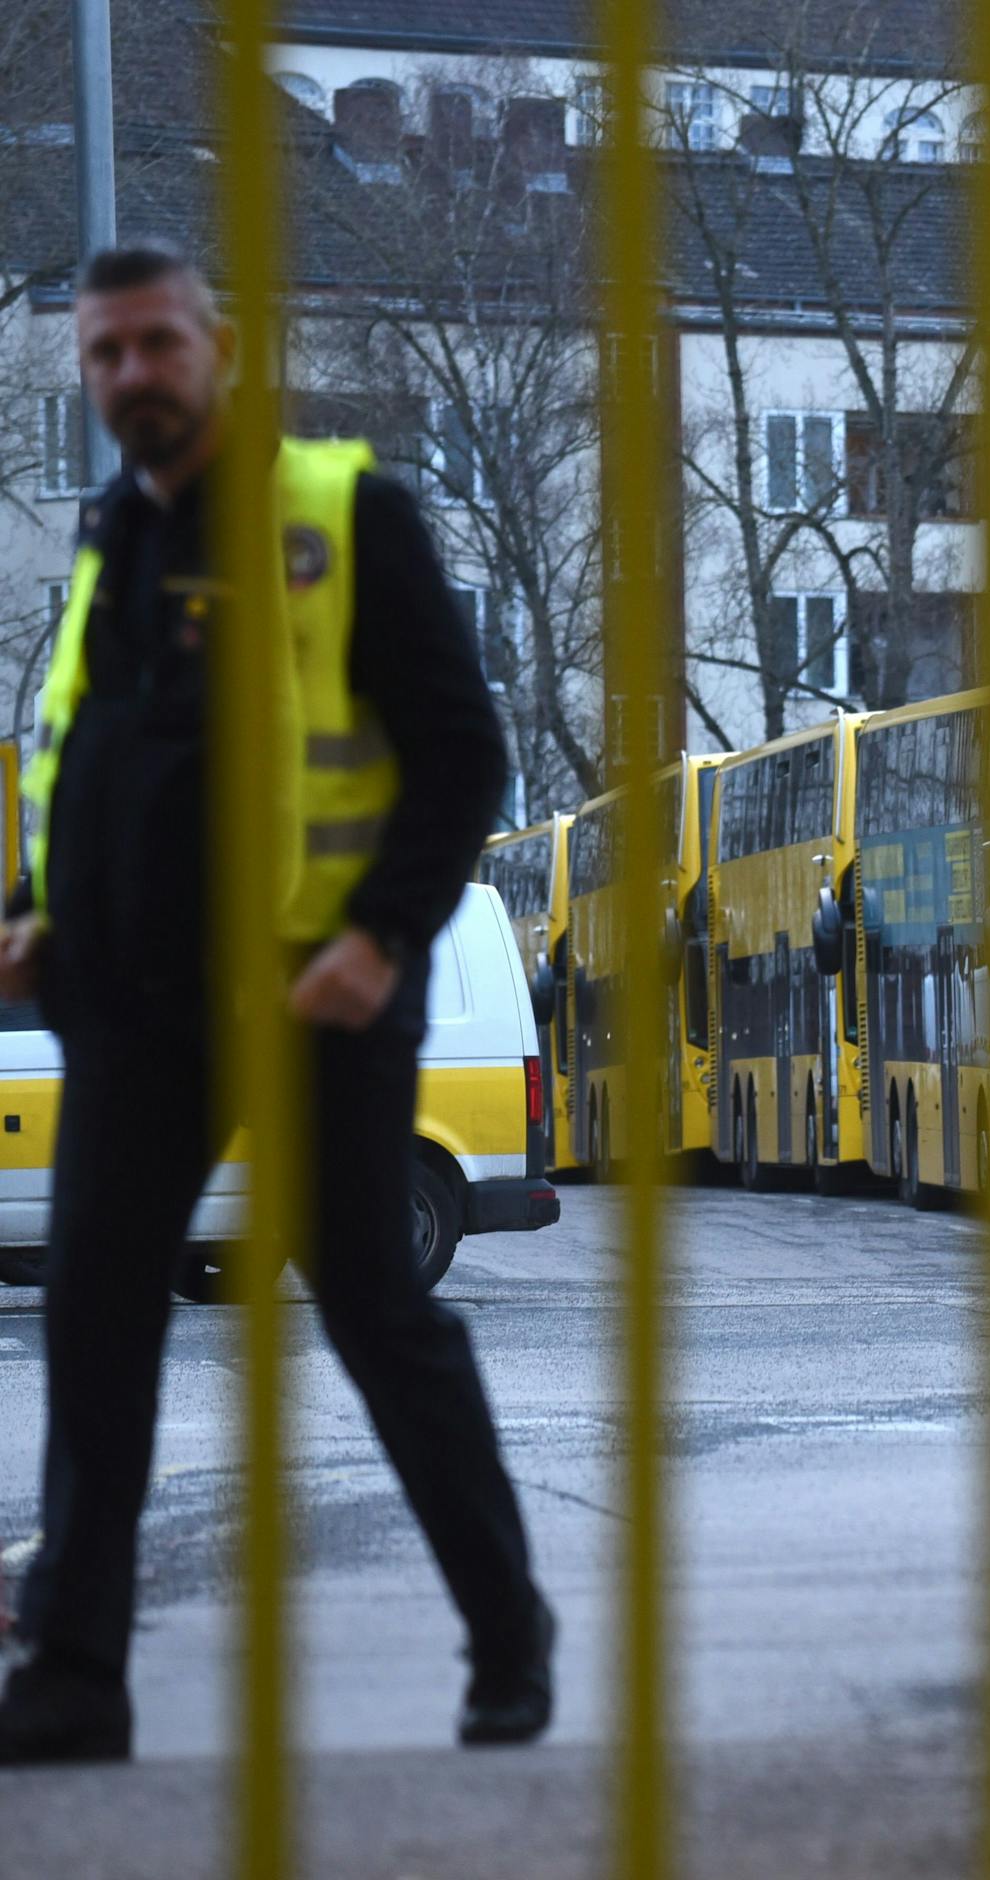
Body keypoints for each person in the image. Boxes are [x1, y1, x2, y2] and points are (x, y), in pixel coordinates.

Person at [0, 243, 553, 1763]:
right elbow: (83, 760)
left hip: (317, 999)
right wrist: (36, 916)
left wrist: (380, 939)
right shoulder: (114, 535)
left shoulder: (342, 516)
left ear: (220, 350)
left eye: (155, 344)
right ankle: (75, 1678)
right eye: (105, 353)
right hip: (132, 1012)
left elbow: (462, 756)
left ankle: (508, 1631)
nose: (132, 374)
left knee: (378, 1320)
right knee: (96, 1326)